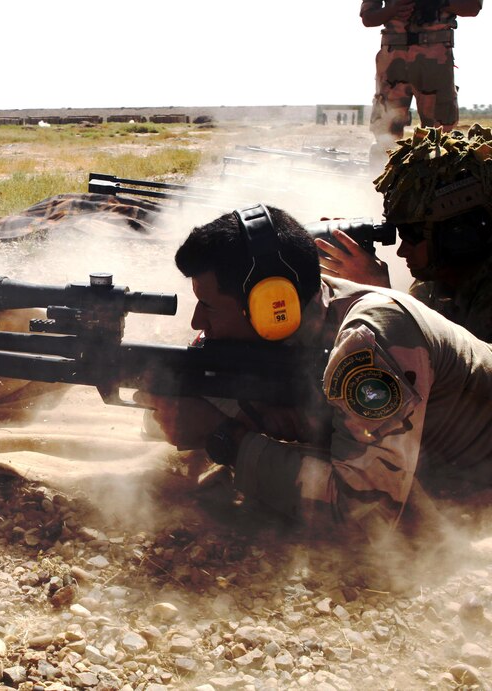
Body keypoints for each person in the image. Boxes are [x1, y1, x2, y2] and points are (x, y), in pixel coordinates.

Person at [135, 204, 492, 539]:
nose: (198, 321)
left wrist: (224, 436)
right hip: (436, 468)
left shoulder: (370, 341)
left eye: (209, 306)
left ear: (270, 305)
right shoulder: (307, 310)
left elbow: (364, 517)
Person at [317, 125, 492, 340]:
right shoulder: (435, 281)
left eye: (413, 235)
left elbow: (451, 366)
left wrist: (380, 293)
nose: (401, 251)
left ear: (457, 234)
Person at [361, 0, 482, 167]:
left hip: (435, 61)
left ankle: (433, 187)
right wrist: (392, 9)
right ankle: (380, 185)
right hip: (393, 61)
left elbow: (473, 7)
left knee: (440, 136)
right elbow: (368, 18)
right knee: (386, 135)